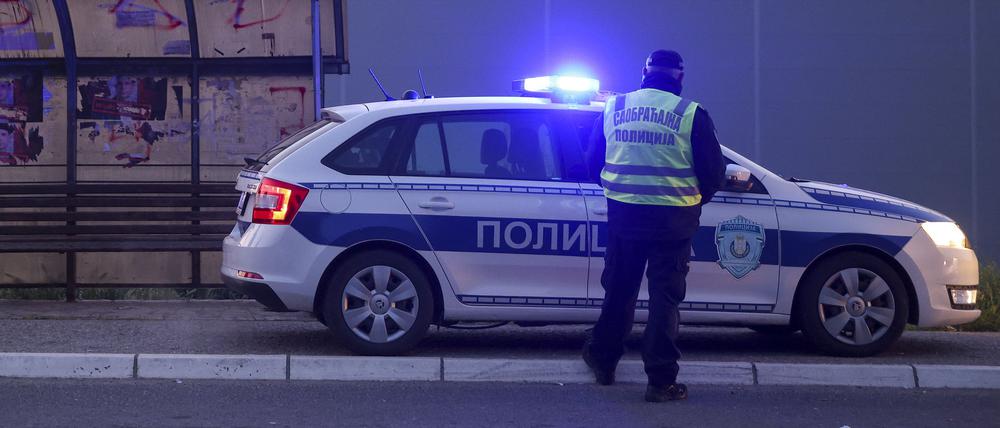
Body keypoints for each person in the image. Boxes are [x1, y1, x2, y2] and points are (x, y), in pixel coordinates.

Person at [583, 49, 726, 402]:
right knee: (665, 300)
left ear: (643, 73)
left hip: (624, 218)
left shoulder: (614, 108)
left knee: (619, 292)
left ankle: (603, 363)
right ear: (679, 78)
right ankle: (661, 382)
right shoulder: (690, 114)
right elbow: (713, 173)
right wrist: (693, 200)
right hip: (673, 223)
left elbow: (590, 164)